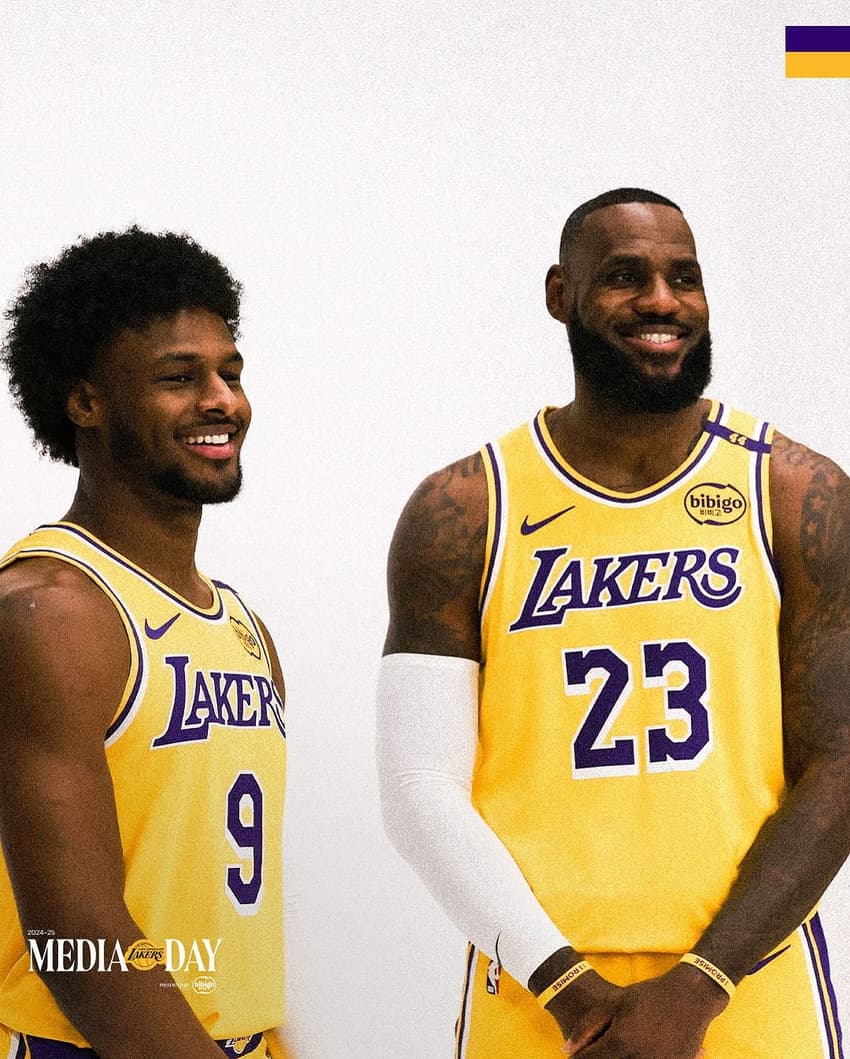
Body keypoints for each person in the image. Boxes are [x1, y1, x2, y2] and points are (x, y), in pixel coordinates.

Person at [376, 188, 849, 1057]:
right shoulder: (466, 508)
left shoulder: (796, 492)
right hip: (535, 986)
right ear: (561, 294)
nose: (662, 302)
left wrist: (701, 983)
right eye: (626, 277)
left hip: (750, 981)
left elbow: (842, 759)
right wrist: (566, 985)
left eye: (685, 278)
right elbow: (417, 791)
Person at [0, 229, 291, 1059]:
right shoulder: (48, 612)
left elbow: (235, 919)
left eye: (229, 373)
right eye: (178, 377)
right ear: (85, 401)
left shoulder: (244, 630)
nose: (221, 400)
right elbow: (77, 940)